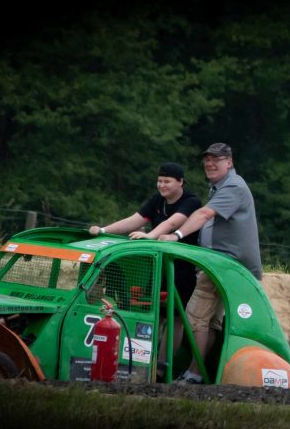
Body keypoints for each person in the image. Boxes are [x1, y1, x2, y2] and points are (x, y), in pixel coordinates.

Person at [157, 142, 262, 384]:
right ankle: (197, 372)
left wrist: (176, 236)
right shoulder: (221, 186)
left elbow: (205, 214)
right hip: (227, 264)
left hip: (223, 264)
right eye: (207, 159)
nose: (211, 163)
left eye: (217, 159)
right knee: (211, 321)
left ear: (230, 162)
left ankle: (193, 375)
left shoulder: (233, 186)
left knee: (194, 317)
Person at [88, 162, 202, 307]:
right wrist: (103, 230)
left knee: (176, 312)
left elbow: (172, 223)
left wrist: (150, 235)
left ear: (180, 182)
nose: (162, 185)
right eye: (159, 181)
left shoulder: (192, 201)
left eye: (167, 181)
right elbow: (135, 220)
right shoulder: (157, 200)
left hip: (182, 266)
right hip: (159, 264)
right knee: (153, 308)